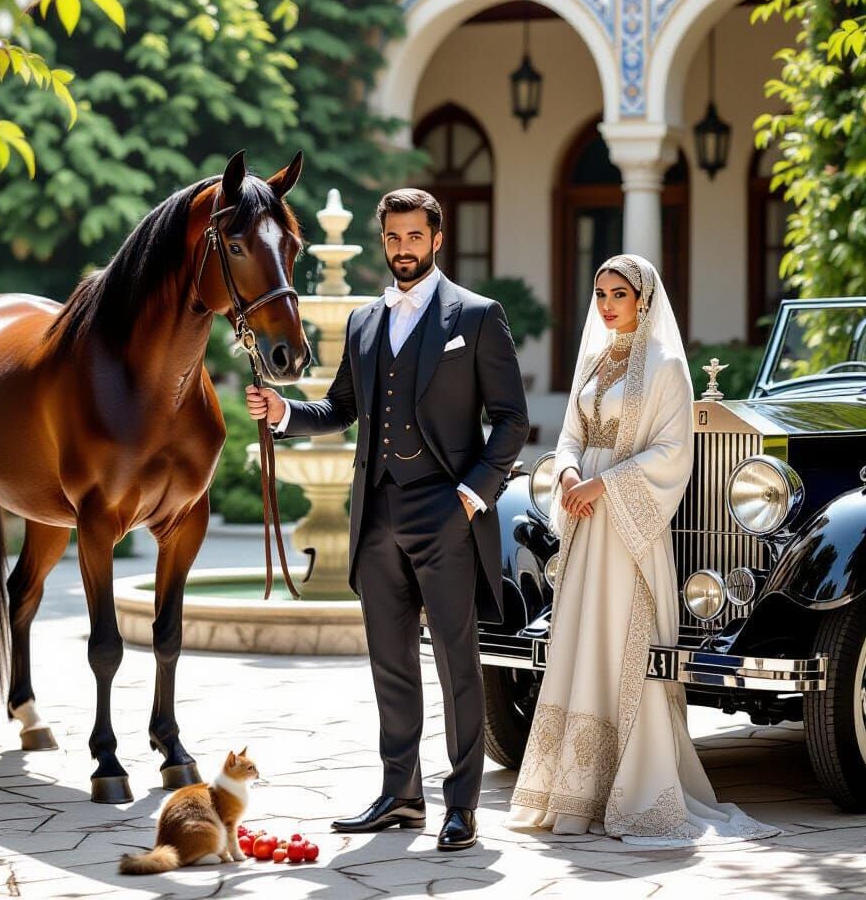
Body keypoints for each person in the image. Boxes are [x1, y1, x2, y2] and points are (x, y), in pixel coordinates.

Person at [246, 188, 528, 850]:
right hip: (376, 514)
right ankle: (400, 797)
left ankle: (461, 804)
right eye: (393, 238)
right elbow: (341, 409)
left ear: (436, 239)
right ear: (384, 243)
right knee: (390, 664)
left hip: (446, 509)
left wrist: (472, 493)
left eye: (413, 237)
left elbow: (511, 420)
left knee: (459, 665)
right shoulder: (364, 322)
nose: (402, 249)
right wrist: (284, 412)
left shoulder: (478, 317)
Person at [506, 254, 779, 847]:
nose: (606, 304)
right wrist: (572, 472)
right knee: (580, 649)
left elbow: (672, 453)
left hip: (629, 531)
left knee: (622, 650)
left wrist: (604, 483)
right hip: (586, 526)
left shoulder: (665, 367)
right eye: (600, 293)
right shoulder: (596, 361)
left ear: (644, 300)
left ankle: (635, 791)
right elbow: (571, 434)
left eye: (618, 294)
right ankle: (577, 793)